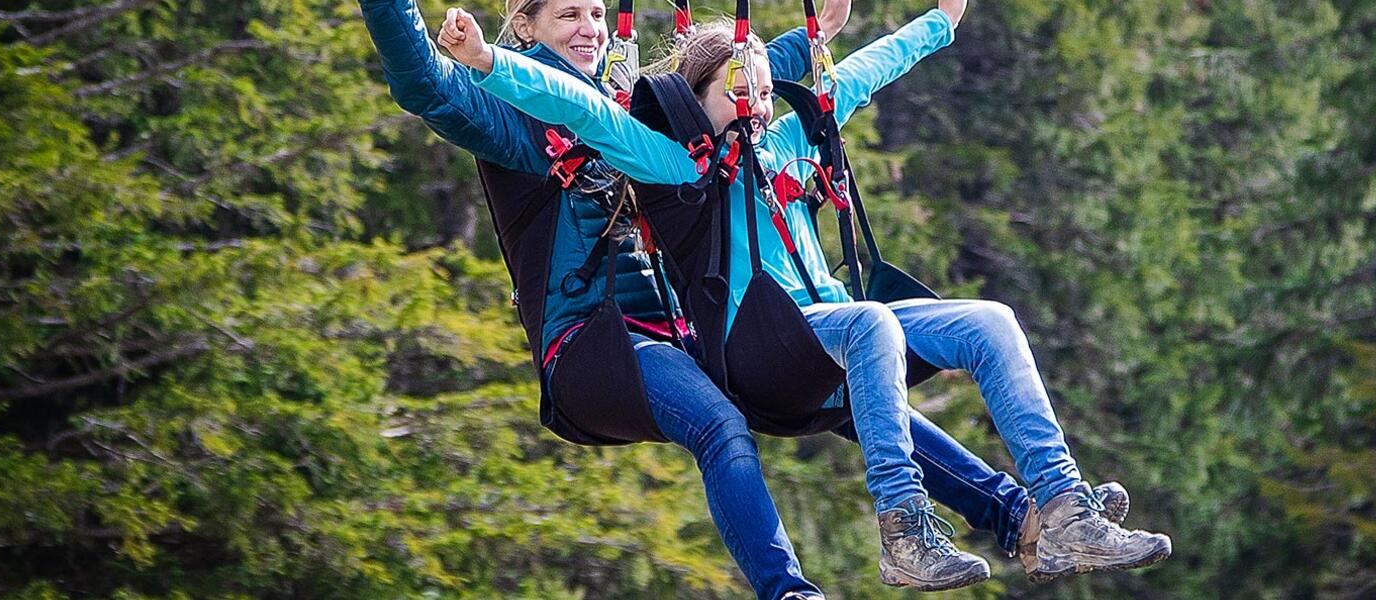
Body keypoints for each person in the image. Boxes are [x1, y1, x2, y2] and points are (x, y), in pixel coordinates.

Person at [432, 0, 1174, 583]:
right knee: (873, 326)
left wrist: (940, 24)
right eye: (741, 82)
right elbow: (582, 110)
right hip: (758, 351)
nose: (759, 93)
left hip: (824, 330)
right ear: (703, 94)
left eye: (763, 79)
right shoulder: (668, 164)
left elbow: (852, 76)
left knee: (990, 321)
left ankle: (1065, 506)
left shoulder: (781, 142)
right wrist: (489, 61)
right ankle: (904, 525)